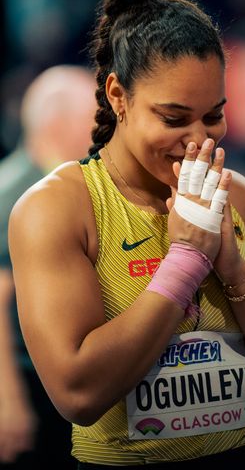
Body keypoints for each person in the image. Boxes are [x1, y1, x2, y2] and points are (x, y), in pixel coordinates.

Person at [8, 0, 245, 469]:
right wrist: (185, 262)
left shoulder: (239, 198)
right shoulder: (58, 208)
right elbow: (77, 393)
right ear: (118, 95)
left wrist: (235, 270)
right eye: (173, 117)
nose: (197, 139)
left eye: (213, 116)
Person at [0, 64, 96, 468]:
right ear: (58, 123)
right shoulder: (26, 192)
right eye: (95, 119)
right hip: (30, 384)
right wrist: (9, 402)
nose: (102, 132)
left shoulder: (31, 181)